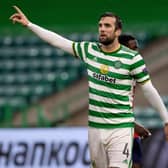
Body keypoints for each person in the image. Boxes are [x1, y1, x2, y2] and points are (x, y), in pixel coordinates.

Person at [10, 6, 168, 168]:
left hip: (120, 129)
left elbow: (149, 90)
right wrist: (29, 25)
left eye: (107, 26)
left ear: (118, 31)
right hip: (95, 128)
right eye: (100, 25)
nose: (102, 29)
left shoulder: (132, 58)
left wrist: (166, 120)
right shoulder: (90, 50)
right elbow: (58, 41)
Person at [119, 34, 151, 168]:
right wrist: (134, 126)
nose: (136, 52)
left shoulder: (132, 71)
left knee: (136, 163)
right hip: (115, 130)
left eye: (137, 49)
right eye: (133, 49)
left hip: (128, 128)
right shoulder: (115, 73)